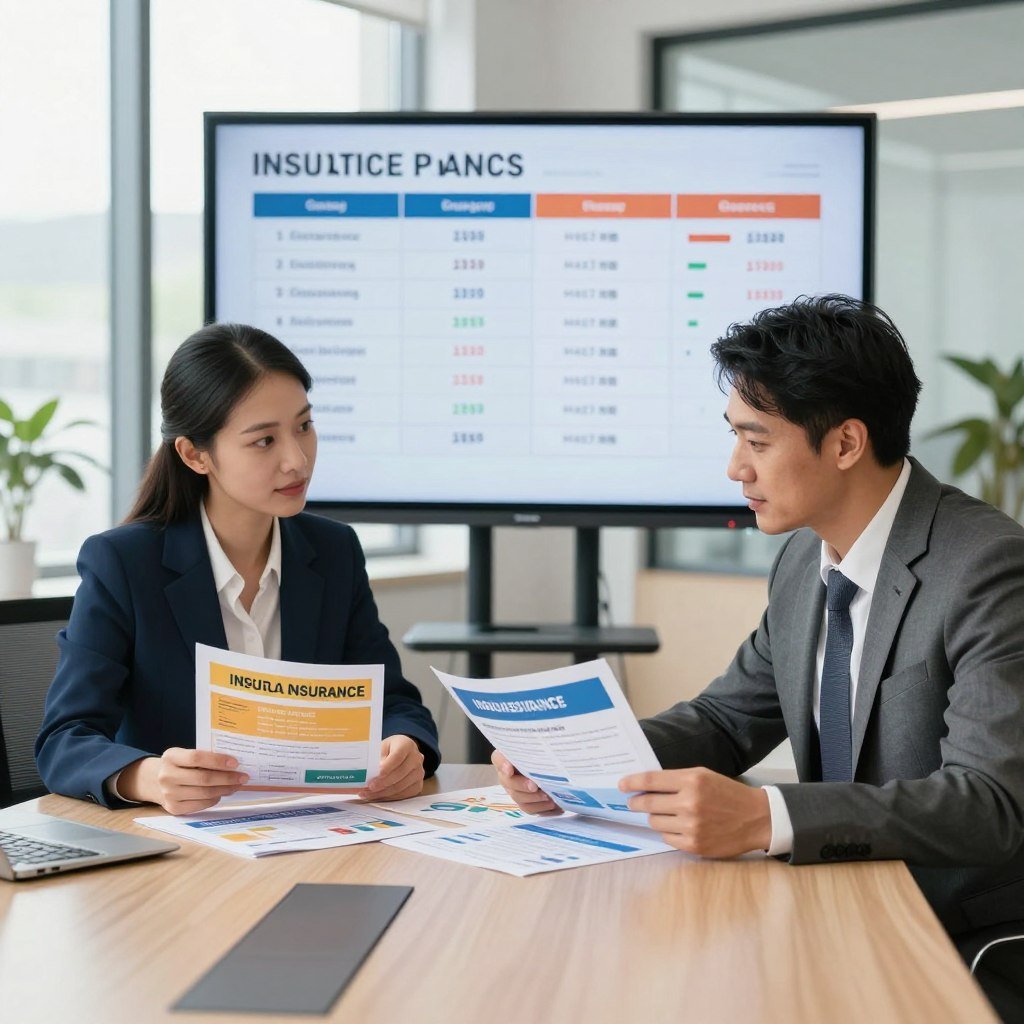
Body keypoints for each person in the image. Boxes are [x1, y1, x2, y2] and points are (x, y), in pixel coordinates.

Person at [494, 295, 1024, 996]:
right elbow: (726, 721)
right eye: (734, 437)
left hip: (958, 938)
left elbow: (989, 803)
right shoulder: (805, 560)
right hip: (837, 907)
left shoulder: (989, 567)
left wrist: (764, 816)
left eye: (758, 441)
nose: (735, 468)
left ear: (845, 444)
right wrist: (576, 761)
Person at [36, 323, 440, 814]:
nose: (297, 460)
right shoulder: (124, 563)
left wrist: (404, 747)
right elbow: (65, 739)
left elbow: (394, 703)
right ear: (195, 455)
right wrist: (148, 777)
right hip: (183, 842)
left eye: (304, 426)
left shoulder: (334, 552)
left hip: (315, 829)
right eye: (264, 440)